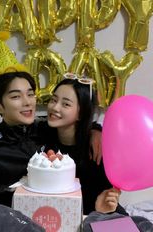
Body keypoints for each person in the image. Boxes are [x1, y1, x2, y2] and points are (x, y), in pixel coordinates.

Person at [0, 68, 102, 216]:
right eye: (16, 97)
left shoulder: (46, 128)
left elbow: (75, 123)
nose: (27, 102)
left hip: (58, 217)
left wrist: (96, 131)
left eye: (30, 94)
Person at [42, 75, 126, 215]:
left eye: (66, 104)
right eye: (53, 100)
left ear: (81, 113)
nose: (55, 107)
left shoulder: (96, 147)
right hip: (56, 215)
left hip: (99, 214)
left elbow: (108, 194)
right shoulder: (41, 135)